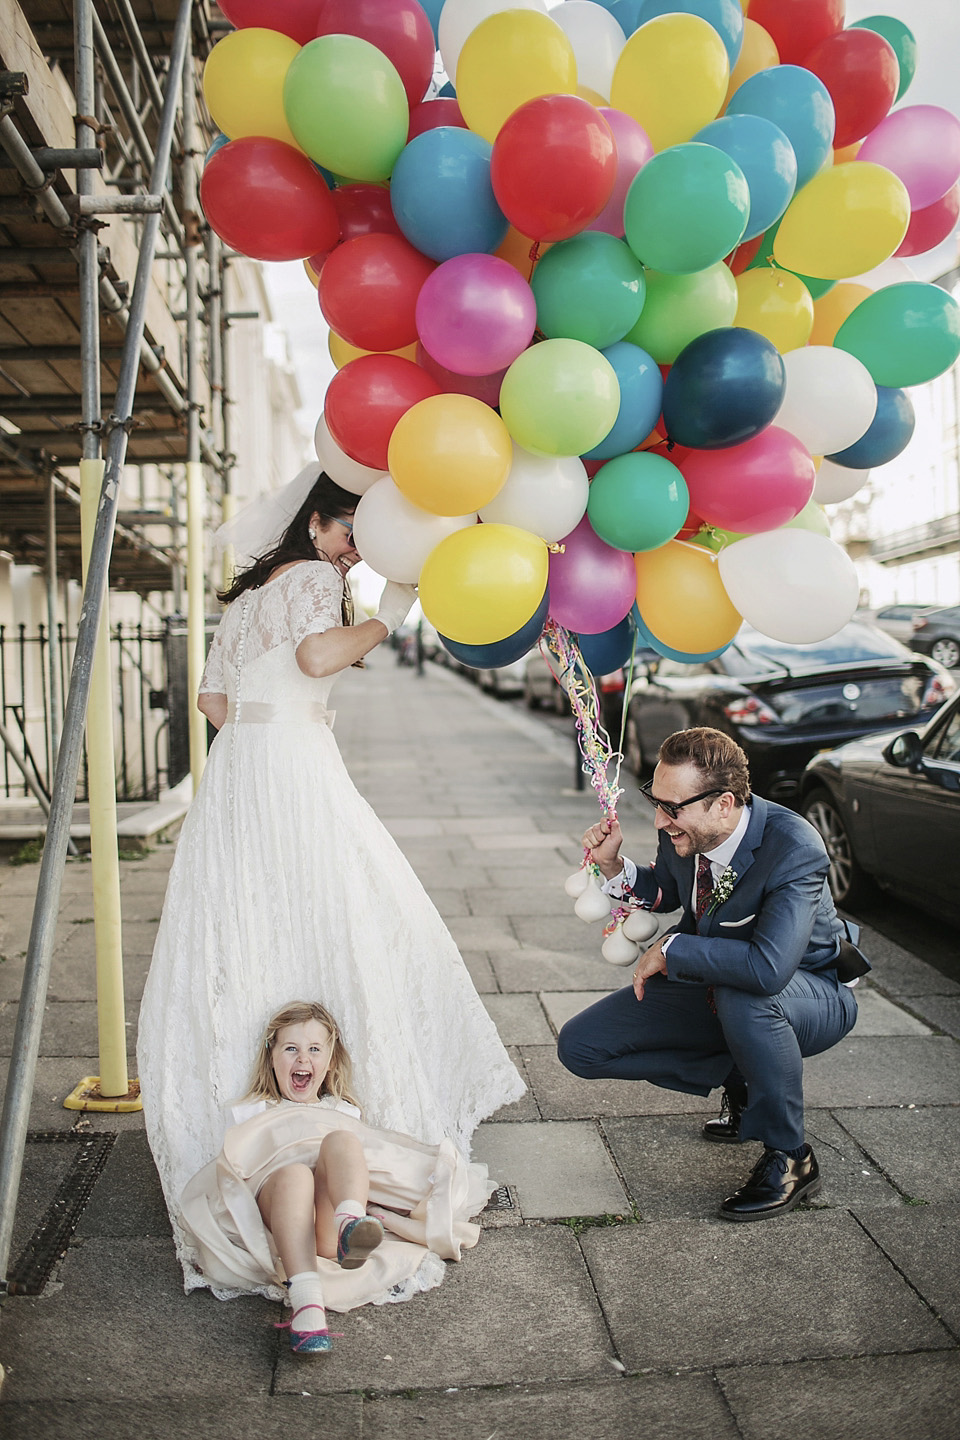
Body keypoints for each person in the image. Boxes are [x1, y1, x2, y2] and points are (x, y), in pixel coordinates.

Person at [138, 467, 524, 1286]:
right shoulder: (315, 579)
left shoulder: (243, 599)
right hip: (292, 769)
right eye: (353, 534)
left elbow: (212, 702)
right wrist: (386, 618)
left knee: (247, 919)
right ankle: (349, 1127)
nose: (356, 554)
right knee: (351, 906)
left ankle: (253, 1118)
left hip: (238, 772)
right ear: (317, 524)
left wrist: (273, 717)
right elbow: (317, 655)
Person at [557, 726, 869, 1222]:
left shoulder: (794, 847)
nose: (659, 819)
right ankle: (747, 1076)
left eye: (671, 808)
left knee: (747, 998)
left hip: (810, 992)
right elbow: (669, 890)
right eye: (654, 801)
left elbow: (768, 970)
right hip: (720, 986)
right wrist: (614, 866)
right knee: (581, 1047)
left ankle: (790, 1156)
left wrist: (675, 947)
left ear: (724, 804)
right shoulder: (683, 824)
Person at [179, 1002, 495, 1354]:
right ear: (271, 1057)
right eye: (291, 1049)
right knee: (296, 1174)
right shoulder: (252, 1109)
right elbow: (235, 1172)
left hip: (327, 1231)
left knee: (343, 1141)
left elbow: (368, 1169)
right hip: (280, 1217)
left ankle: (351, 1222)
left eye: (314, 1050)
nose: (303, 1060)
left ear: (329, 1062)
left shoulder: (342, 1111)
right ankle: (308, 1305)